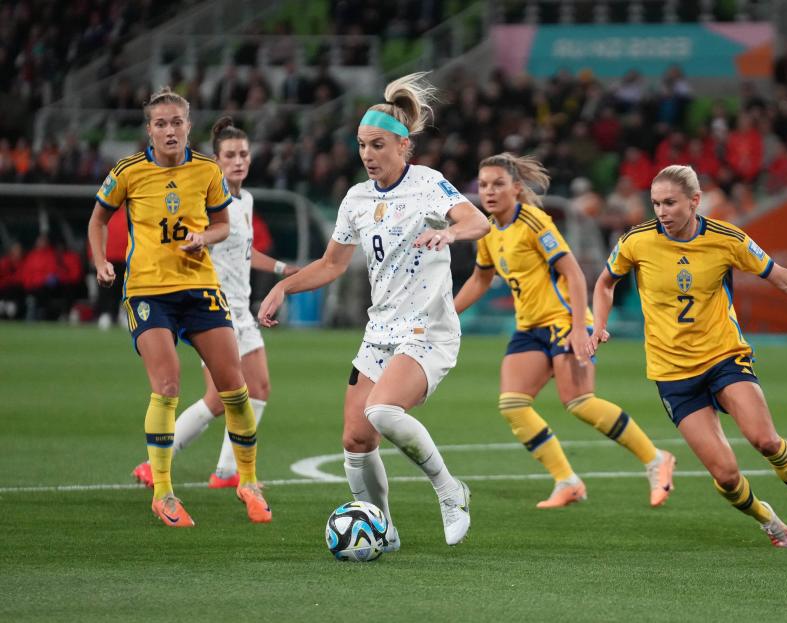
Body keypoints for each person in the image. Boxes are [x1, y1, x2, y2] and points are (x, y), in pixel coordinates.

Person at [258, 73, 490, 548]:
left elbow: (477, 220)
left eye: (377, 145)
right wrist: (285, 286)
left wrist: (449, 232)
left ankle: (450, 491)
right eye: (362, 145)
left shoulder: (429, 184)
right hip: (380, 331)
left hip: (428, 328)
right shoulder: (357, 199)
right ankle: (382, 531)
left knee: (383, 410)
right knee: (356, 441)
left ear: (403, 146)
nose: (367, 154)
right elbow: (331, 264)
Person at [592, 165, 787, 548]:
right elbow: (606, 282)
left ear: (695, 201)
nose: (661, 211)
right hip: (672, 372)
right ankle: (768, 519)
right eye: (656, 203)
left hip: (724, 356)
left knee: (766, 441)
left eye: (670, 203)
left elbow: (783, 277)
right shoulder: (636, 241)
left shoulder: (727, 239)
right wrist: (597, 324)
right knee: (726, 476)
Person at [88, 87, 271, 527]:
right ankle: (164, 493)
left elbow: (224, 223)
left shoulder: (208, 171)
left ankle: (247, 481)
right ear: (149, 129)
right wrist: (100, 262)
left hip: (200, 288)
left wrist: (203, 237)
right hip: (148, 291)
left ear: (188, 126)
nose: (170, 130)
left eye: (177, 122)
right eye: (161, 123)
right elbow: (97, 219)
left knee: (235, 387)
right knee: (168, 385)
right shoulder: (129, 171)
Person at [453, 153, 676, 509]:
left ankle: (656, 459)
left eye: (497, 184)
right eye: (483, 185)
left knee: (579, 402)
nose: (489, 192)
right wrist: (447, 313)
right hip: (529, 327)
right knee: (513, 405)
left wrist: (577, 327)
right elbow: (481, 279)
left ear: (516, 188)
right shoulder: (487, 230)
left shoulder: (535, 221)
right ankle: (567, 481)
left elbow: (572, 272)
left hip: (563, 321)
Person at [131, 116, 298, 490]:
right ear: (216, 161)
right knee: (219, 397)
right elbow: (197, 235)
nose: (238, 161)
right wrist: (199, 240)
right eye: (230, 155)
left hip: (243, 308)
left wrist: (283, 268)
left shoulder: (246, 199)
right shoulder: (206, 199)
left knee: (260, 389)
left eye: (243, 154)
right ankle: (155, 462)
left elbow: (245, 250)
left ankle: (226, 473)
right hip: (214, 308)